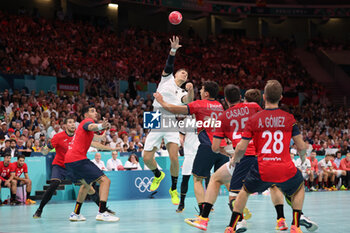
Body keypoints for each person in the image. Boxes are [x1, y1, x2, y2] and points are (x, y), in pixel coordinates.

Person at [225, 80, 307, 233]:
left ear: (264, 97)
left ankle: (231, 226)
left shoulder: (254, 119)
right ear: (281, 97)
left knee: (244, 192)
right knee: (299, 187)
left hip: (262, 169)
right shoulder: (289, 118)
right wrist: (303, 158)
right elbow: (301, 146)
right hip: (285, 168)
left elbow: (241, 147)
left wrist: (235, 158)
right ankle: (295, 225)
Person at [184, 87, 261, 231]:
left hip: (242, 157)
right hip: (261, 157)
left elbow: (215, 147)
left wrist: (228, 152)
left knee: (215, 181)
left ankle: (205, 219)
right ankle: (289, 218)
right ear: (240, 96)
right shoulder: (254, 107)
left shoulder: (224, 117)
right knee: (278, 186)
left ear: (225, 100)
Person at [154, 81, 229, 214]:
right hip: (221, 147)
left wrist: (161, 101)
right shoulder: (219, 106)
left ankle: (202, 214)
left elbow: (174, 109)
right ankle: (238, 210)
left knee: (197, 179)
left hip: (207, 147)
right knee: (224, 179)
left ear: (206, 93)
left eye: (201, 89)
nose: (199, 91)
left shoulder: (199, 104)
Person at [143, 36, 194, 205]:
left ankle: (173, 189)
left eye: (186, 74)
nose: (184, 74)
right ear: (176, 74)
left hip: (171, 120)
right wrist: (173, 50)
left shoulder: (182, 93)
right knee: (146, 157)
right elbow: (169, 65)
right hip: (155, 116)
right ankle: (158, 175)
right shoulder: (167, 79)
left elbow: (189, 101)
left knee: (173, 158)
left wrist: (192, 89)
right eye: (182, 71)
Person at [33, 117, 115, 219]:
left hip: (73, 166)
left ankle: (102, 209)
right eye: (70, 122)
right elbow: (45, 151)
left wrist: (110, 147)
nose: (72, 124)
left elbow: (95, 141)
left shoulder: (78, 135)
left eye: (73, 123)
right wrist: (44, 149)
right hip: (60, 165)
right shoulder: (58, 137)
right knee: (54, 184)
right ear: (65, 126)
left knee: (88, 187)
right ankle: (39, 209)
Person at [64, 106, 119, 222]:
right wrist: (101, 126)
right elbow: (91, 126)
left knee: (86, 185)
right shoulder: (86, 122)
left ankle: (75, 213)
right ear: (85, 115)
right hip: (78, 159)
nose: (95, 113)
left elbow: (95, 143)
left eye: (96, 110)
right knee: (105, 181)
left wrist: (111, 148)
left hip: (69, 161)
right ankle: (102, 212)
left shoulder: (84, 132)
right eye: (92, 111)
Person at [176, 115, 200, 213]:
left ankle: (206, 205)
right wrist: (181, 143)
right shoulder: (185, 121)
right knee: (185, 179)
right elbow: (181, 137)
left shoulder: (203, 119)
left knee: (203, 179)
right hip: (189, 154)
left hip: (200, 154)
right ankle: (182, 203)